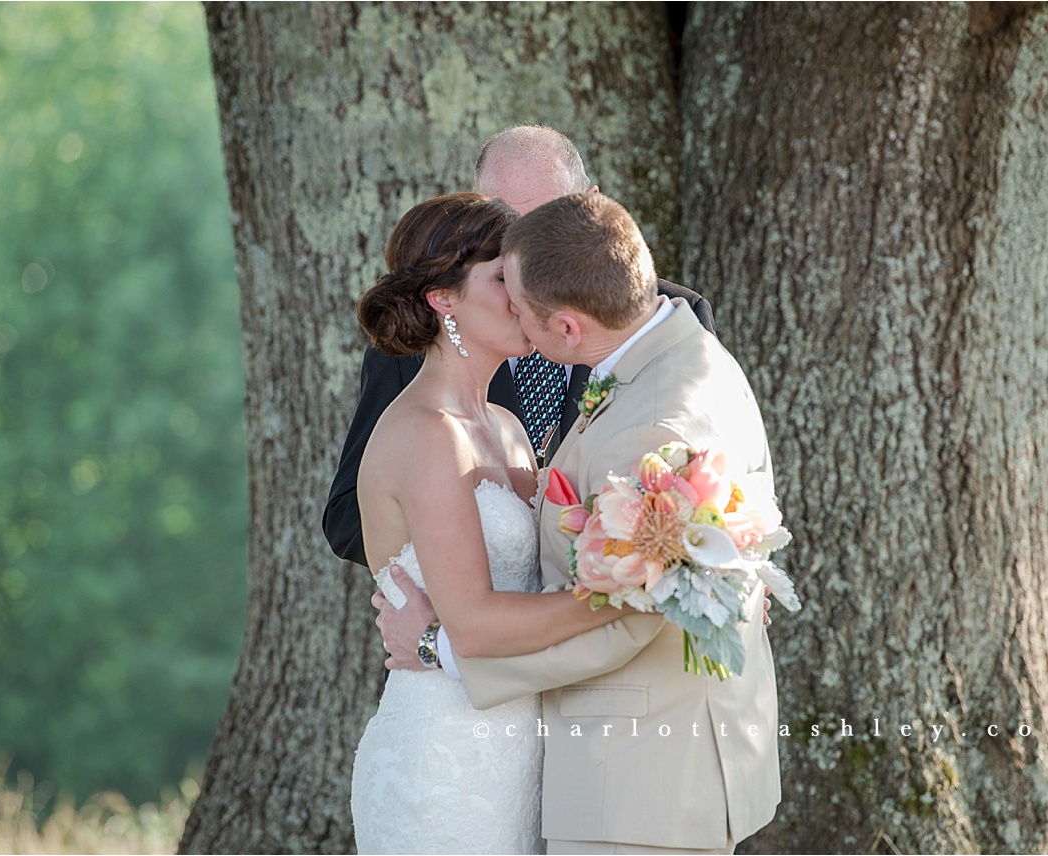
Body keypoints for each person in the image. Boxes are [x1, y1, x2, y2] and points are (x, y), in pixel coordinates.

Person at [377, 193, 782, 854]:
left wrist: (437, 650)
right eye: (500, 283)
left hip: (639, 776)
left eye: (523, 302)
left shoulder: (653, 415)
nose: (516, 313)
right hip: (571, 757)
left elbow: (632, 611)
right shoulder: (684, 358)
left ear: (566, 329)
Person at [347, 192, 631, 854]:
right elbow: (471, 623)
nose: (523, 293)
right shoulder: (425, 435)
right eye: (503, 278)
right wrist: (621, 598)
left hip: (521, 747)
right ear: (443, 300)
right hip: (444, 763)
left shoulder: (503, 428)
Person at [322, 125, 715, 568]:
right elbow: (347, 517)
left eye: (545, 225)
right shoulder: (421, 337)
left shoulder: (665, 318)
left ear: (592, 205)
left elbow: (705, 482)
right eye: (509, 234)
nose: (527, 258)